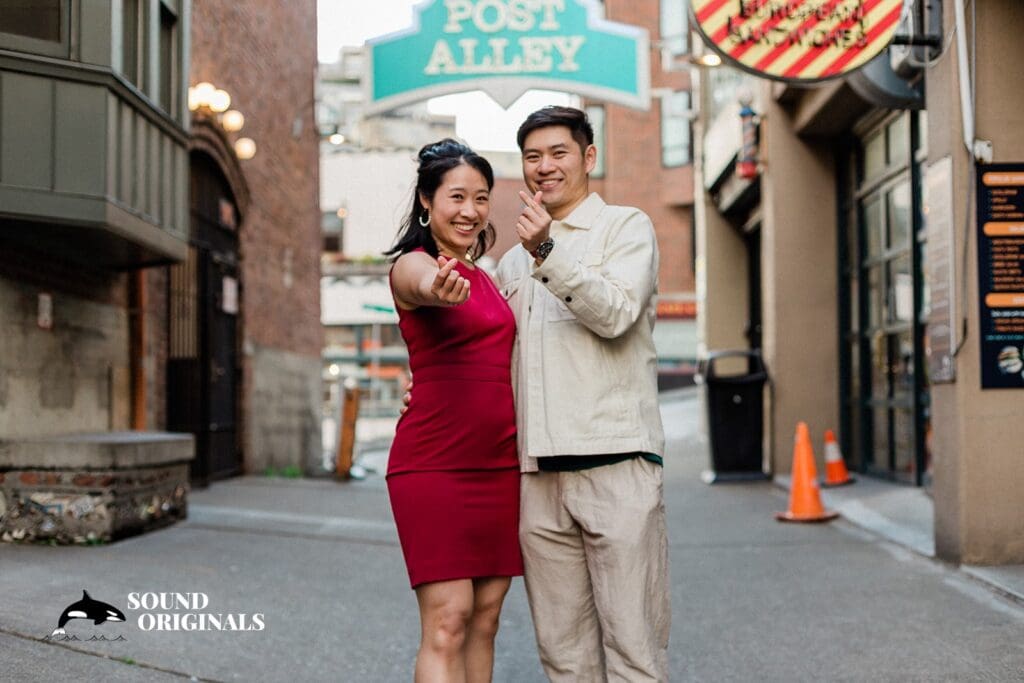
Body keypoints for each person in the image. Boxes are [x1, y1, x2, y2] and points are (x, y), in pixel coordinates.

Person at [495, 106, 670, 682]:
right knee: (563, 656)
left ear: (588, 158)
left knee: (633, 651)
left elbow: (617, 314)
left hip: (616, 465)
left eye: (558, 153)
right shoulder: (510, 261)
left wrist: (550, 251)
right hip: (538, 477)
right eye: (532, 157)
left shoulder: (626, 227)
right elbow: (493, 356)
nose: (545, 167)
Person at [384, 139, 523, 683]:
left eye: (482, 198)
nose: (470, 210)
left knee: (485, 621)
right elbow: (419, 287)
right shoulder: (415, 267)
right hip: (434, 465)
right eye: (457, 196)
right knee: (447, 621)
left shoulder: (487, 278)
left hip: (499, 466)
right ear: (427, 200)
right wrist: (438, 290)